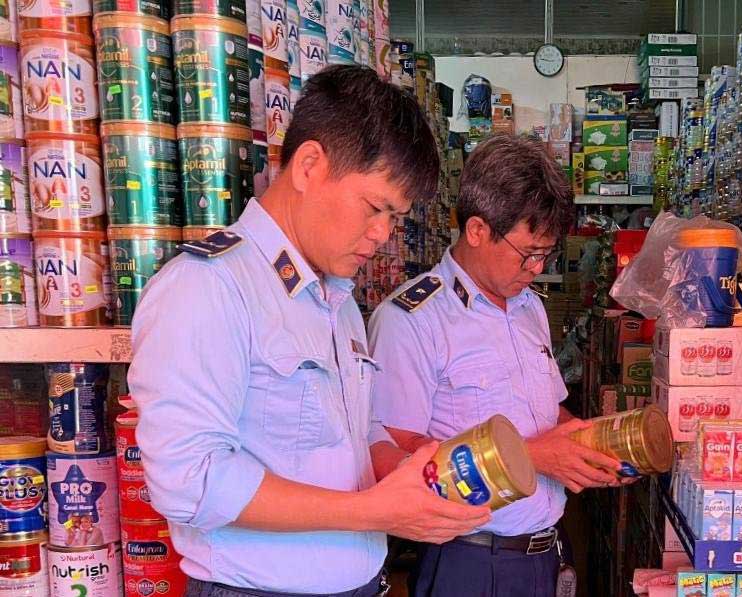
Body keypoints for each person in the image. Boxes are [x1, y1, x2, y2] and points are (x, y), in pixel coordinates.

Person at [128, 66, 491, 597]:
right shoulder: (209, 286)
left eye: (396, 217)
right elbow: (190, 479)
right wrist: (370, 511)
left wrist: (412, 469)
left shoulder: (335, 298)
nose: (383, 235)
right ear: (310, 165)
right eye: (375, 207)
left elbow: (355, 433)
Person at [369, 135, 629, 597]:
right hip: (470, 560)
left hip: (547, 550)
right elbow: (396, 455)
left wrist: (589, 442)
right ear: (476, 230)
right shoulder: (411, 320)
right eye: (528, 251)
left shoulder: (529, 307)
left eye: (546, 253)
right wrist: (532, 456)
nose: (536, 267)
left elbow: (548, 415)